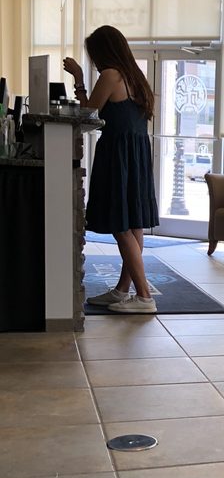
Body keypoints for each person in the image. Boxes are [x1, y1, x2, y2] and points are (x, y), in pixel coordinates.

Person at [64, 26, 159, 313]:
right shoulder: (135, 76)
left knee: (121, 225)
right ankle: (122, 290)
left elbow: (87, 115)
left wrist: (79, 79)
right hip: (137, 152)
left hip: (118, 153)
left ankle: (144, 297)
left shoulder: (110, 75)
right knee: (133, 222)